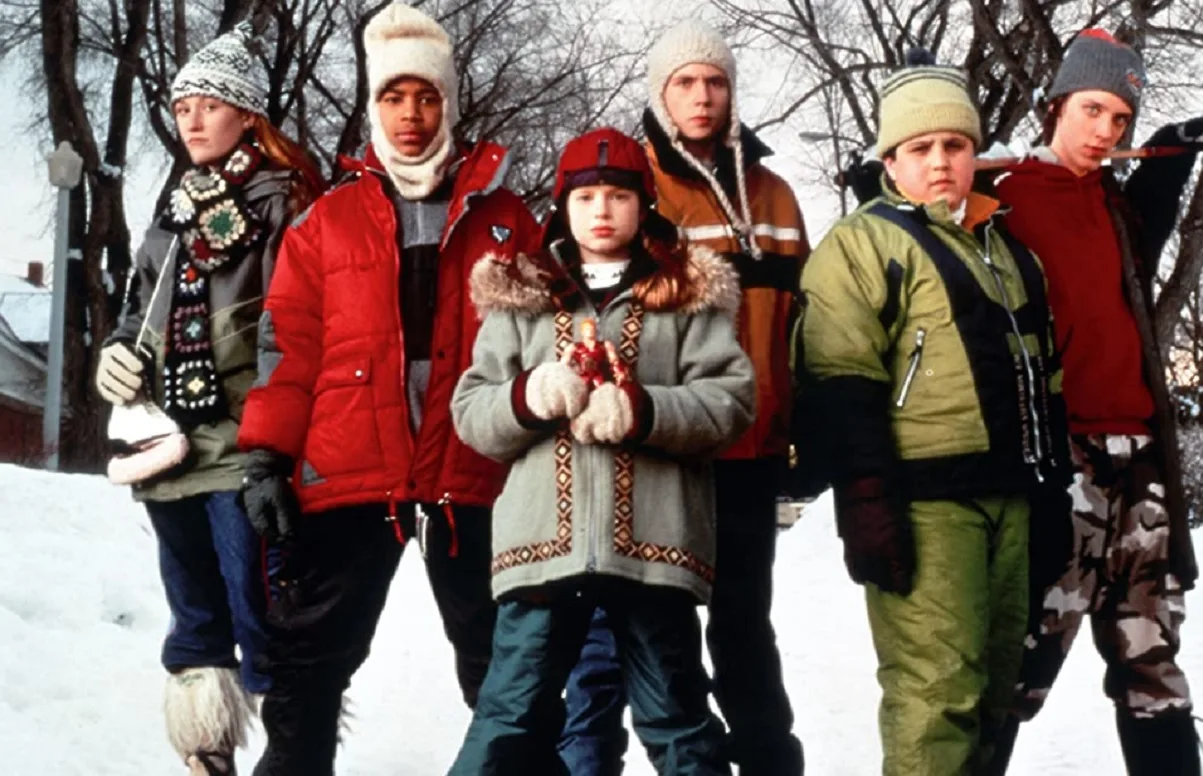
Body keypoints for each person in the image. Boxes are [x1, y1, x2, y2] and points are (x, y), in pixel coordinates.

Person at [234, 5, 538, 774]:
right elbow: (288, 349)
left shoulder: (505, 221)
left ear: (450, 104)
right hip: (346, 474)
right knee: (309, 666)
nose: (411, 115)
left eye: (428, 98)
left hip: (474, 475)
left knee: (506, 671)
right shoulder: (324, 222)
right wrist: (267, 456)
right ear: (373, 104)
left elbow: (543, 341)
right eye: (395, 97)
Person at [793, 50, 1070, 776]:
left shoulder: (1009, 250)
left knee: (996, 694)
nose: (940, 161)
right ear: (891, 159)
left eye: (955, 145)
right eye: (920, 148)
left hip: (1011, 495)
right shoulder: (863, 244)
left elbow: (1048, 376)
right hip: (923, 504)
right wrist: (866, 497)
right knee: (936, 693)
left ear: (977, 153)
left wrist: (1052, 491)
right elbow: (837, 375)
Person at [447, 127, 753, 776]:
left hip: (654, 548)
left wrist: (644, 410)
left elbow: (729, 402)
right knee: (506, 719)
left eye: (619, 196)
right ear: (563, 206)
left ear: (645, 206)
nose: (603, 211)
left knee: (678, 721)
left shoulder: (684, 295)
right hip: (541, 553)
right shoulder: (522, 296)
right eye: (587, 199)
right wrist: (531, 395)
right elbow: (472, 413)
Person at [559, 20, 808, 776]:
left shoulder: (774, 192)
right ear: (660, 96)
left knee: (743, 629)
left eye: (715, 81)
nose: (702, 96)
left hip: (752, 450)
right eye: (684, 82)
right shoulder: (637, 190)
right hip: (662, 451)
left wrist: (801, 434)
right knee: (629, 634)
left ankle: (768, 764)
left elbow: (805, 327)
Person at [984, 29, 1203, 776]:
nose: (1105, 130)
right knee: (1023, 658)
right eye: (1093, 109)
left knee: (1152, 665)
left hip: (1142, 463)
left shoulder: (1118, 207)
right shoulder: (999, 195)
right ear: (1056, 103)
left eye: (1121, 120)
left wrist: (1178, 142)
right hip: (1062, 462)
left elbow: (1158, 190)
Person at [94, 22, 324, 776]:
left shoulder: (288, 205)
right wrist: (118, 360)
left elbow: (299, 325)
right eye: (181, 104)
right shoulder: (172, 212)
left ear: (248, 115)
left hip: (244, 450)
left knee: (260, 611)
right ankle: (206, 754)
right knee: (193, 612)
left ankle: (292, 755)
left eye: (208, 104)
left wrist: (276, 443)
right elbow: (137, 315)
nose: (189, 118)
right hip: (168, 454)